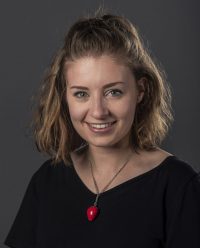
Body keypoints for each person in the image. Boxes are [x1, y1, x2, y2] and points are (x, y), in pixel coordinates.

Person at [4, 10, 200, 248]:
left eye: (113, 92)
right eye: (81, 94)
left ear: (141, 91)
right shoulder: (47, 180)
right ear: (65, 97)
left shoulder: (179, 187)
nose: (98, 111)